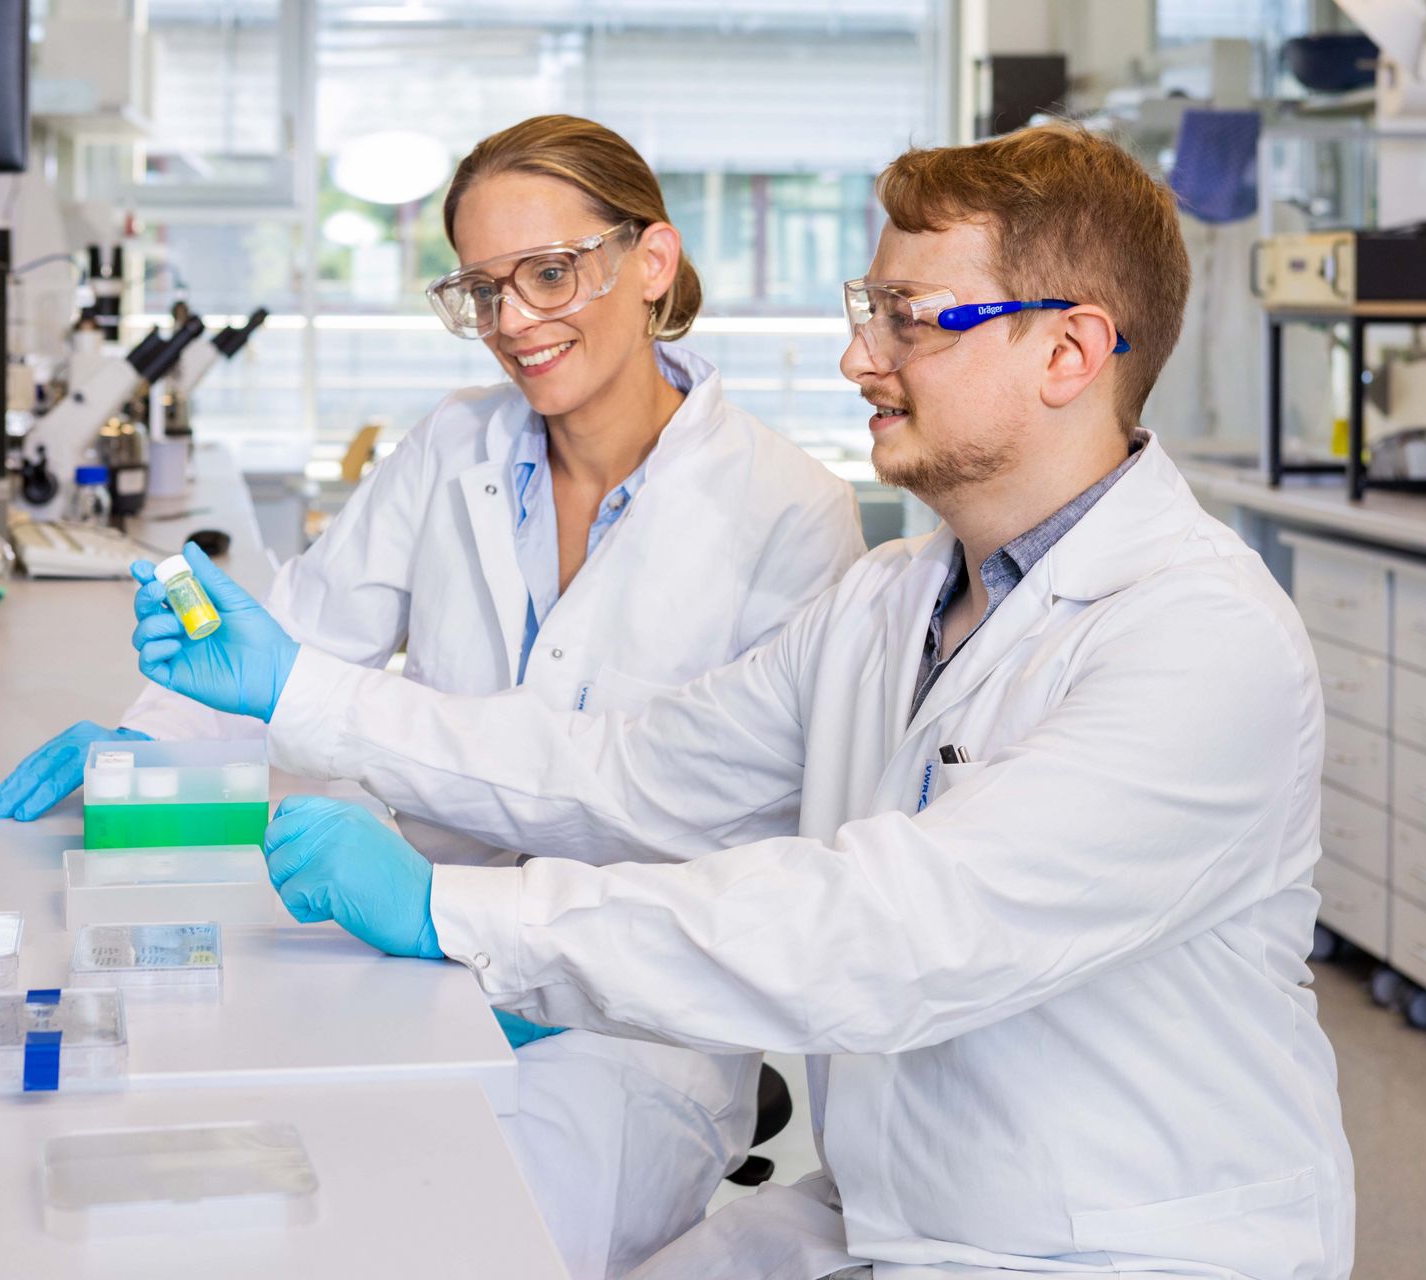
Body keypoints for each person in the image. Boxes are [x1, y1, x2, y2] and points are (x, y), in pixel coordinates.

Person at [128, 122, 1354, 1280]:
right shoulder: (889, 599)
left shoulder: (1199, 641)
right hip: (888, 1209)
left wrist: (455, 909)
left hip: (1104, 1248)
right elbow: (624, 768)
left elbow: (883, 931)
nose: (858, 356)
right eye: (867, 310)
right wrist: (305, 691)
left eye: (910, 320)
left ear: (1070, 352)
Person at [0, 115, 867, 1279]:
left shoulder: (790, 512)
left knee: (467, 1239)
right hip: (402, 952)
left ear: (651, 263)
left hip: (628, 1024)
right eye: (483, 289)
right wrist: (143, 746)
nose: (513, 322)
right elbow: (292, 634)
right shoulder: (456, 443)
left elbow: (683, 803)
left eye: (550, 273)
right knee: (262, 1203)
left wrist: (456, 908)